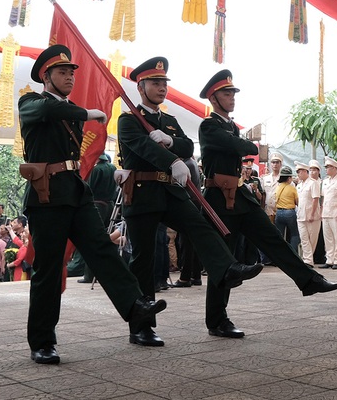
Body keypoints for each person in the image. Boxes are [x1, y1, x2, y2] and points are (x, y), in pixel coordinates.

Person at [17, 44, 166, 364]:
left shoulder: (68, 109)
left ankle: (134, 305)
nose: (69, 77)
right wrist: (85, 112)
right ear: (45, 76)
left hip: (75, 191)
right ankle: (42, 340)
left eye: (72, 72)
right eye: (62, 72)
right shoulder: (31, 101)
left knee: (101, 248)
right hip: (46, 196)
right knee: (49, 268)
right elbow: (46, 112)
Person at [116, 56, 262, 345]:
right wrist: (171, 159)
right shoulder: (128, 119)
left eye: (164, 83)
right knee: (143, 259)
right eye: (155, 83)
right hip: (142, 190)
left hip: (170, 192)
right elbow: (143, 147)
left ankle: (227, 268)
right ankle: (142, 326)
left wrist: (171, 142)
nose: (162, 88)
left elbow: (185, 144)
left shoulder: (168, 121)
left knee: (200, 226)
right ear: (141, 87)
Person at [198, 69, 337, 337]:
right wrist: (244, 144)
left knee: (274, 239)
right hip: (219, 198)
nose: (232, 98)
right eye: (226, 94)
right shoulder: (209, 126)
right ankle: (217, 320)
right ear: (214, 98)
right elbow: (246, 148)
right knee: (225, 264)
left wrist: (243, 143)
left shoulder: (231, 127)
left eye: (232, 93)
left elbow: (246, 148)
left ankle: (309, 280)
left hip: (241, 194)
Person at [77, 152, 120, 284]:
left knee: (92, 240)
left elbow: (89, 189)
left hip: (98, 206)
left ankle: (89, 275)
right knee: (109, 240)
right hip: (111, 207)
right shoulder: (112, 168)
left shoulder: (97, 169)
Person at [296, 163, 321, 266]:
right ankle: (308, 260)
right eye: (297, 172)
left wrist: (312, 213)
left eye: (299, 171)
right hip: (301, 215)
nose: (298, 174)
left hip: (312, 216)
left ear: (305, 171)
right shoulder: (299, 185)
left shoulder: (313, 183)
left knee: (312, 239)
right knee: (304, 238)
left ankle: (309, 259)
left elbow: (315, 199)